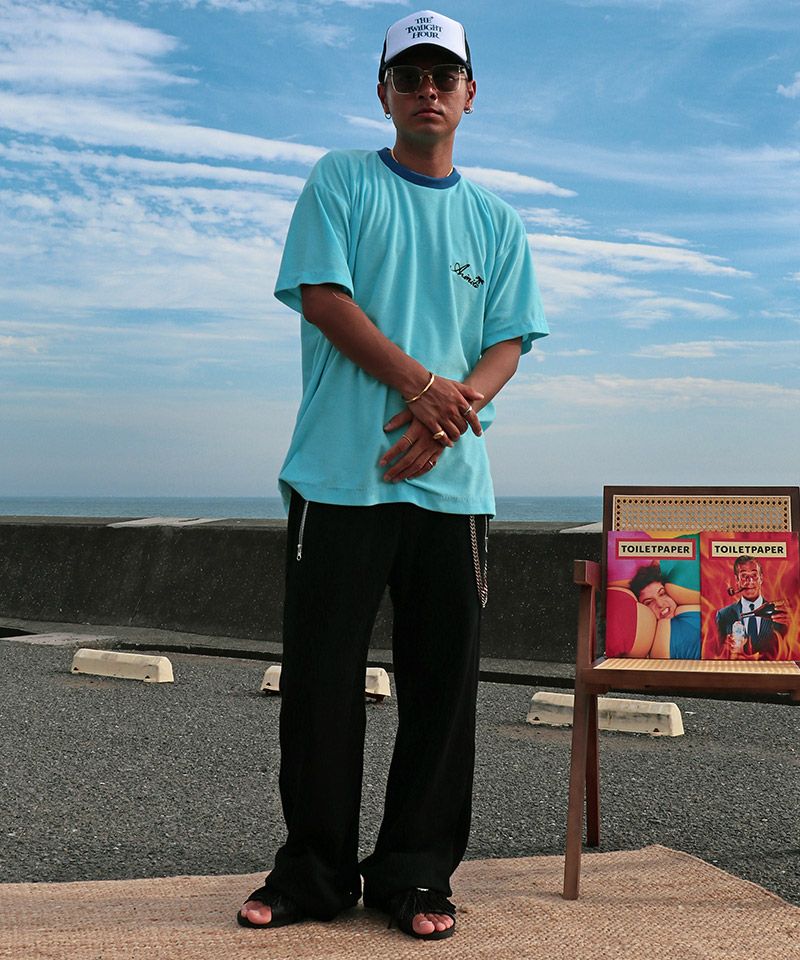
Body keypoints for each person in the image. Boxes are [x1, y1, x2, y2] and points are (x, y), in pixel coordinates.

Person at [237, 9, 547, 942]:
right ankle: (313, 872)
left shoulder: (496, 220)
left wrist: (450, 411)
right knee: (320, 684)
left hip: (452, 486)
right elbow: (324, 297)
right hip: (339, 477)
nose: (427, 90)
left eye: (443, 76)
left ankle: (416, 874)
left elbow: (507, 342)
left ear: (470, 94)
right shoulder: (340, 179)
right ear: (383, 92)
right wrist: (422, 386)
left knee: (442, 691)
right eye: (409, 76)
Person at [715, 555, 788, 659]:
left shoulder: (780, 614)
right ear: (737, 580)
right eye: (744, 576)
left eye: (754, 575)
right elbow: (717, 652)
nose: (750, 581)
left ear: (761, 578)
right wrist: (726, 648)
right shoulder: (723, 615)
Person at [626, 562, 701, 659]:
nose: (660, 604)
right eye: (649, 602)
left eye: (662, 594)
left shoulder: (695, 610)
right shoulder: (648, 646)